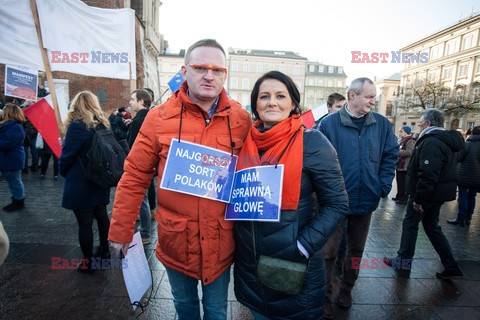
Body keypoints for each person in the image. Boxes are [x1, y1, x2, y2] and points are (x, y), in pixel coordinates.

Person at [108, 39, 252, 320]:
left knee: (216, 310)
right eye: (200, 68)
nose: (209, 75)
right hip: (176, 239)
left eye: (217, 69)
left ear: (225, 74)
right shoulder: (158, 118)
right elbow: (135, 176)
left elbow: (254, 175)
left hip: (221, 240)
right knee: (184, 307)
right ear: (184, 71)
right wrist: (121, 230)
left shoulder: (241, 119)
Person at [233, 71, 348, 320]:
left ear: (293, 103)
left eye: (280, 96)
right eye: (264, 96)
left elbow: (337, 203)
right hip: (249, 267)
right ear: (255, 104)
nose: (271, 102)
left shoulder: (313, 141)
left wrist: (303, 246)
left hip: (294, 266)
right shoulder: (245, 142)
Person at [318, 77, 398, 318]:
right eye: (369, 96)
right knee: (328, 252)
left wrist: (383, 185)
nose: (374, 100)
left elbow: (390, 154)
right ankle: (325, 291)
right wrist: (328, 193)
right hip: (335, 203)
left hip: (366, 201)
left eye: (374, 96)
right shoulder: (328, 124)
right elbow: (319, 162)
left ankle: (347, 290)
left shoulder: (382, 124)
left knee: (355, 251)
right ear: (352, 96)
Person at [386, 109, 464, 279]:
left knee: (411, 225)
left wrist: (419, 199)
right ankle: (451, 265)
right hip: (437, 194)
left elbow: (428, 173)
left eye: (420, 123)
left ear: (428, 124)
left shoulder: (432, 142)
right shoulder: (445, 140)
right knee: (432, 227)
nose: (418, 126)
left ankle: (403, 261)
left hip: (427, 194)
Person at [59, 91, 111, 274]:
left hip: (81, 180)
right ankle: (105, 251)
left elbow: (67, 156)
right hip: (100, 179)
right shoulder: (102, 123)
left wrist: (62, 170)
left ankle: (88, 262)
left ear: (76, 105)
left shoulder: (78, 126)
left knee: (85, 222)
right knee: (102, 216)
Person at [127, 88, 153, 244]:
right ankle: (145, 230)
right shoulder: (151, 118)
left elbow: (131, 146)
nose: (130, 103)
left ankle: (145, 233)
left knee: (142, 201)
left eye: (132, 99)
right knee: (144, 200)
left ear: (141, 102)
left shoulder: (137, 121)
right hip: (149, 167)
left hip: (139, 167)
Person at [448, 125, 480, 226]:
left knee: (463, 196)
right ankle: (468, 218)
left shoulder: (468, 144)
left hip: (464, 176)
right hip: (477, 177)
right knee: (472, 196)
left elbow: (459, 157)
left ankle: (460, 218)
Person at [0, 103, 27, 212]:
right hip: (7, 158)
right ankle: (15, 200)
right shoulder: (9, 125)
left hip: (12, 159)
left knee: (15, 181)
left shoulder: (15, 127)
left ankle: (19, 202)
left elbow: (6, 143)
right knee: (12, 181)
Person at [393, 126, 415, 204]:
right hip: (399, 165)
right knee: (399, 182)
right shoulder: (402, 140)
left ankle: (403, 199)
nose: (399, 132)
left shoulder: (410, 140)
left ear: (405, 132)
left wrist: (397, 151)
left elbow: (410, 152)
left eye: (401, 131)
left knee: (403, 183)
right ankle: (399, 196)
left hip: (405, 165)